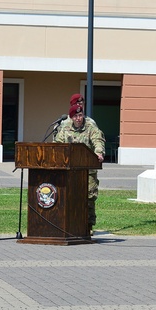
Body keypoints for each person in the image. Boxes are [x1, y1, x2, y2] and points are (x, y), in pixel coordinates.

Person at [55, 94, 105, 235]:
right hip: (69, 170)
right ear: (71, 117)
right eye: (75, 116)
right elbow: (58, 144)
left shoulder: (90, 126)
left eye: (80, 115)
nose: (78, 118)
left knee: (89, 197)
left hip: (87, 170)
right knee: (69, 196)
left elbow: (98, 140)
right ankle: (69, 224)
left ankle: (88, 226)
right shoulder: (64, 127)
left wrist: (99, 153)